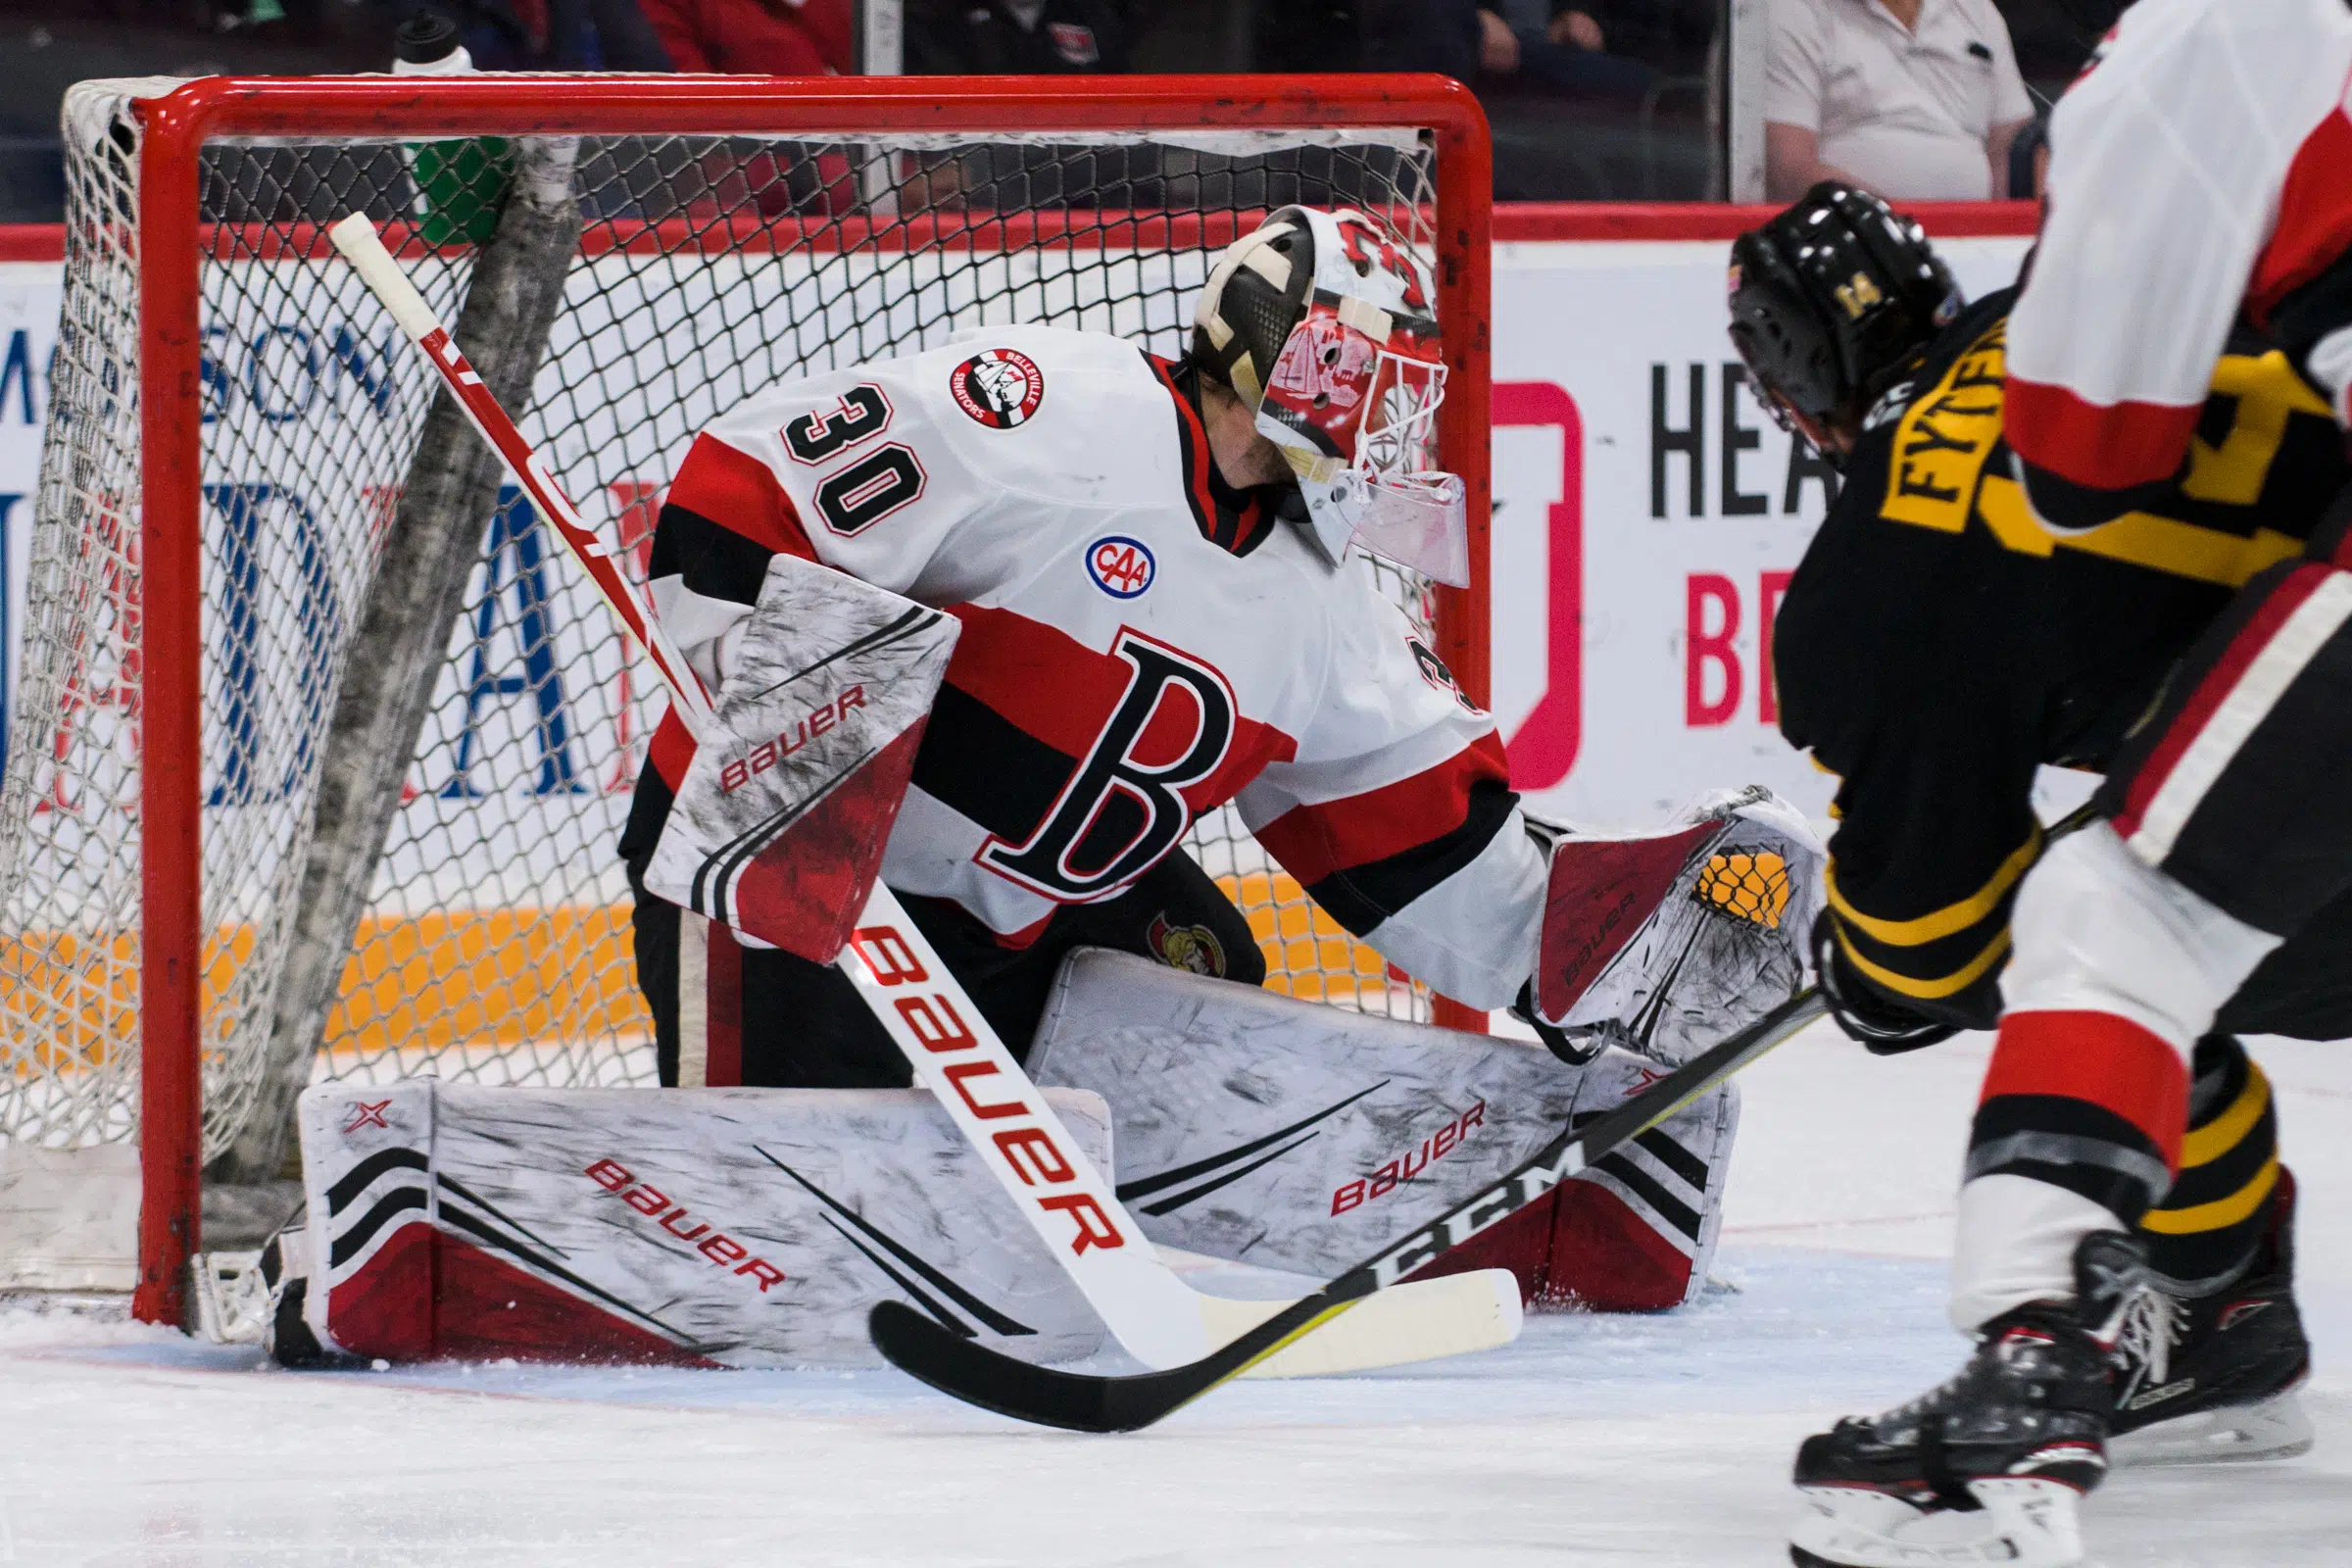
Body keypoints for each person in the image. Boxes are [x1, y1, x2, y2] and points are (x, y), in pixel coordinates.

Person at [1734, 181, 2344, 1566]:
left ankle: (2190, 1302)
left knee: (2090, 930)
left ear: (1792, 392)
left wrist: (1864, 969)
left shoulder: (1871, 571)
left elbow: (1928, 950)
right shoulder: (2051, 317)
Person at [622, 206, 1561, 1092]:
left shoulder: (1328, 596)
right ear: (1301, 360)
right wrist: (787, 755)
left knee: (1202, 991)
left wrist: (1575, 962)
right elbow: (746, 488)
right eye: (1376, 376)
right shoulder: (1053, 412)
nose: (1390, 418)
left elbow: (1420, 826)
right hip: (778, 879)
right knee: (796, 1213)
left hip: (1004, 930)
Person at [1762, 0, 2033, 201]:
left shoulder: (1977, 10)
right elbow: (1787, 170)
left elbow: (2013, 149)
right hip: (1851, 251)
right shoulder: (1793, 9)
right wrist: (1889, 230)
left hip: (1981, 248)